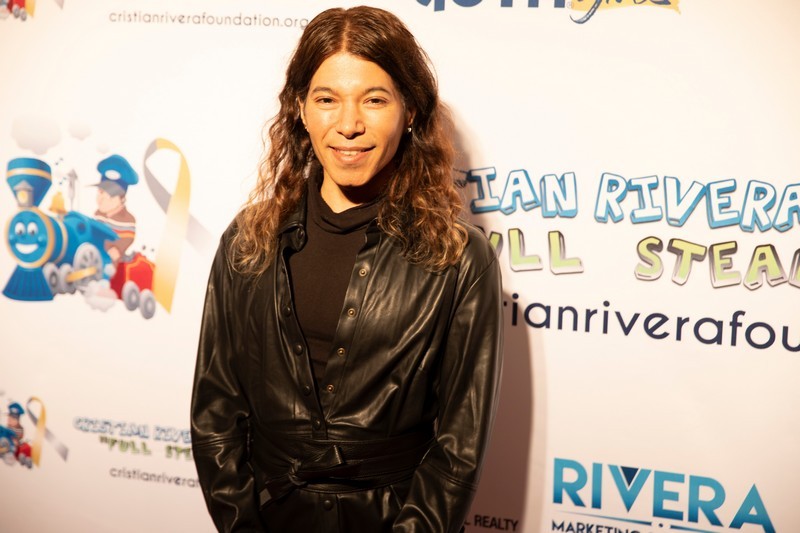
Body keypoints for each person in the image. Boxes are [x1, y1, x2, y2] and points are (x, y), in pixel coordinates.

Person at [191, 6, 503, 532]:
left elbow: (459, 450)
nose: (349, 125)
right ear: (300, 109)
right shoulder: (248, 240)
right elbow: (215, 413)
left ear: (409, 111)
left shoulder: (458, 258)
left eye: (374, 99)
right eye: (327, 99)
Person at [93, 154, 138, 263]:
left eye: (110, 195)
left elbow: (125, 241)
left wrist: (115, 249)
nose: (102, 199)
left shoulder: (128, 219)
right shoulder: (98, 214)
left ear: (122, 199)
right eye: (100, 192)